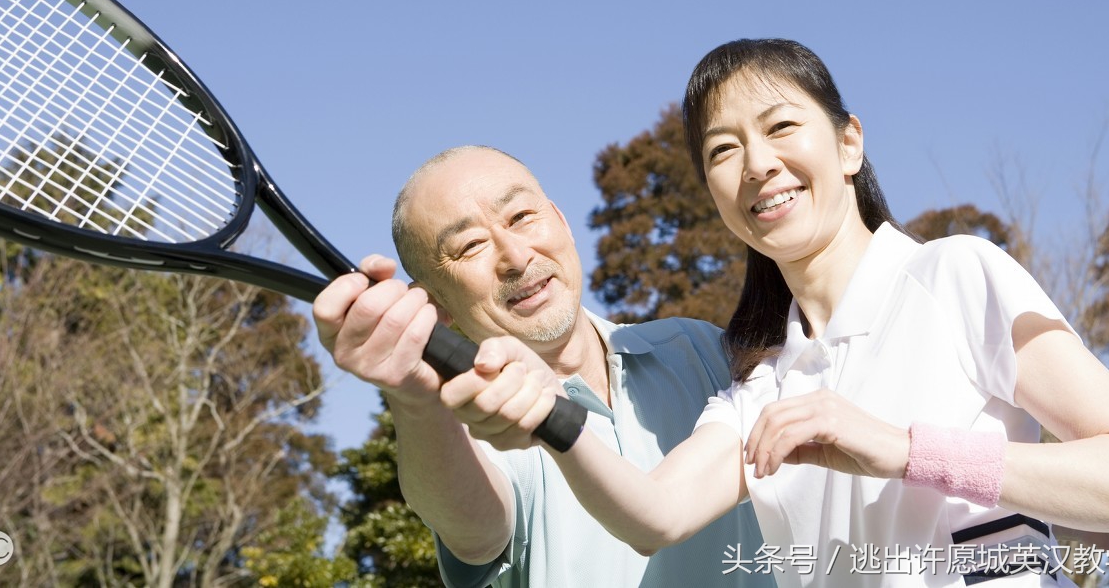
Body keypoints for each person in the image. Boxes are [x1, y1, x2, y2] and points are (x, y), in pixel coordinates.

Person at [442, 39, 1109, 587]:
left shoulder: (956, 274)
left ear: (849, 143)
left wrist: (901, 449)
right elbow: (652, 516)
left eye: (780, 127)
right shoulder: (760, 388)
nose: (758, 163)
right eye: (723, 150)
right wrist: (550, 415)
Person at [312, 145, 768, 588]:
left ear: (562, 221)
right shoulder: (474, 429)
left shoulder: (702, 348)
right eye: (470, 246)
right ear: (435, 302)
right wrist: (413, 397)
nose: (515, 257)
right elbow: (477, 536)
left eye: (521, 217)